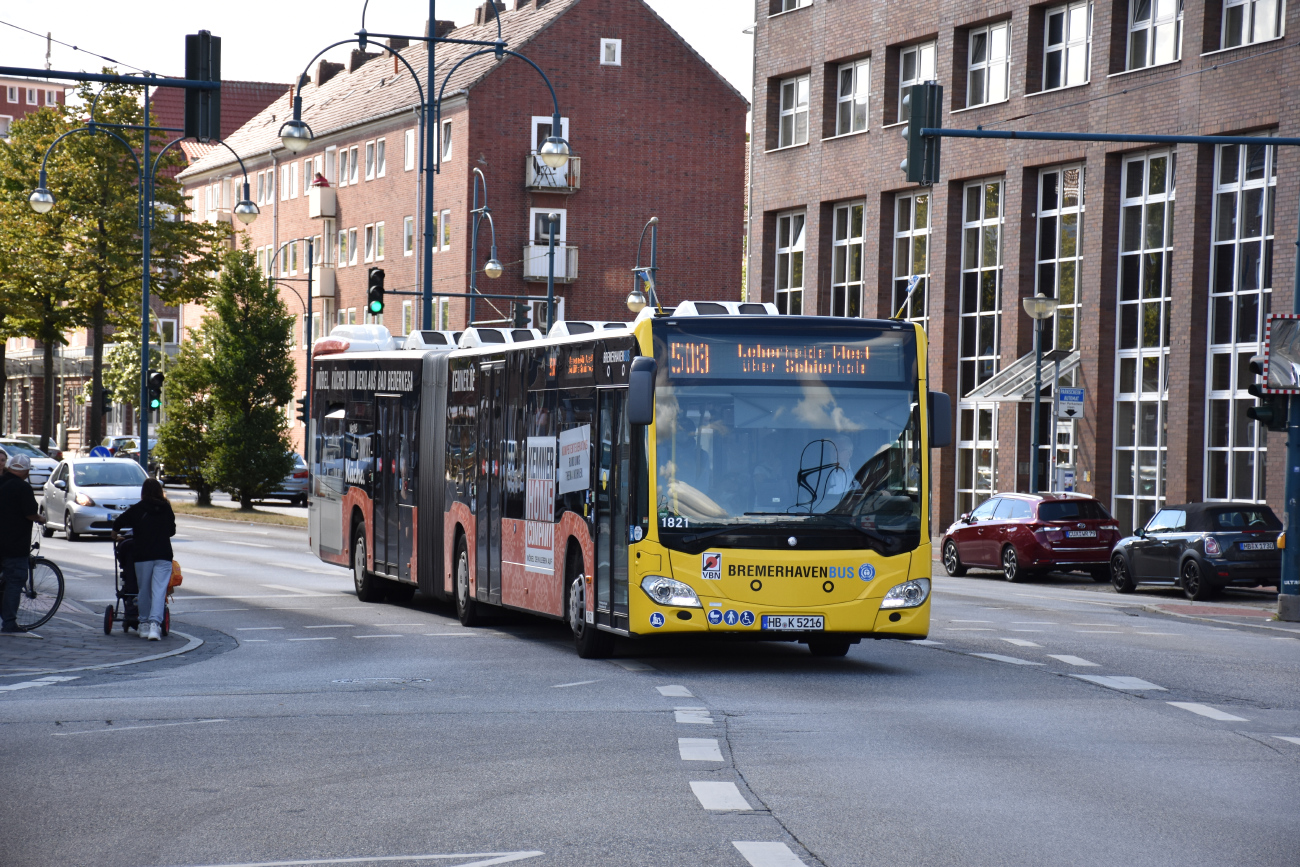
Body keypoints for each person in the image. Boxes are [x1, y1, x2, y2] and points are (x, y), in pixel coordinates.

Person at [112, 479, 176, 641]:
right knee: (159, 591)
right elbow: (172, 531)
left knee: (144, 590)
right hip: (163, 555)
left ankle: (144, 624)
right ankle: (155, 625)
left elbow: (119, 522)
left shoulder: (138, 508)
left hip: (142, 555)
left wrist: (115, 535)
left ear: (143, 492)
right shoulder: (166, 508)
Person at [0, 454, 47, 633]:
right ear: (27, 472)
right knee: (15, 581)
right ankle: (9, 623)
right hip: (14, 544)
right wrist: (41, 518)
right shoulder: (23, 487)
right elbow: (30, 513)